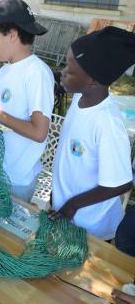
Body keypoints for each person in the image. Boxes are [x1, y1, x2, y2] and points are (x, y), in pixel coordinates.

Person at [48, 26, 134, 241]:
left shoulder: (108, 125)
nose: (63, 72)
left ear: (92, 80)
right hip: (65, 212)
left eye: (69, 67)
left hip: (90, 227)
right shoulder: (80, 97)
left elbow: (121, 183)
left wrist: (72, 205)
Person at [0, 0, 54, 202]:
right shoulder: (5, 70)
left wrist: (0, 116)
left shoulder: (36, 72)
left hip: (15, 179)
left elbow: (39, 132)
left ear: (12, 35)